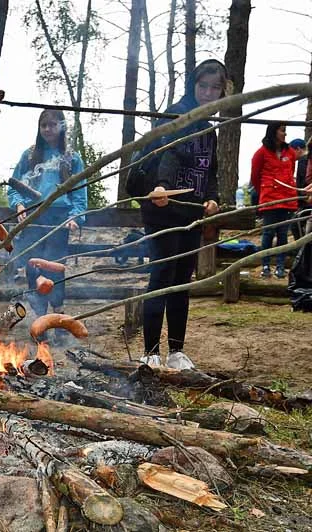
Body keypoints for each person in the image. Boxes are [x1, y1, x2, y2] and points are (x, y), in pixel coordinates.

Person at [139, 59, 226, 369]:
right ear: (193, 85)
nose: (208, 93)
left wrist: (213, 198)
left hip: (192, 214)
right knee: (161, 277)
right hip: (163, 210)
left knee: (181, 280)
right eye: (203, 86)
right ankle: (150, 352)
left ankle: (176, 351)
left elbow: (210, 171)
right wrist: (162, 185)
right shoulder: (177, 116)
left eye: (215, 88)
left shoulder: (208, 129)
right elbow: (167, 155)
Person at [7, 109, 87, 345]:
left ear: (61, 127)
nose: (48, 129)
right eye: (44, 125)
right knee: (33, 267)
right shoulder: (29, 156)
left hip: (59, 218)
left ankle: (60, 322)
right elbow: (14, 186)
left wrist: (75, 216)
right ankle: (40, 321)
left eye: (52, 125)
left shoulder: (71, 157)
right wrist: (19, 204)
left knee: (54, 268)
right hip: (33, 217)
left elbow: (80, 191)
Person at [250, 122, 298, 279]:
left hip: (287, 198)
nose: (285, 134)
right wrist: (265, 190)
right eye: (282, 131)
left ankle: (280, 266)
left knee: (283, 234)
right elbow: (255, 177)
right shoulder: (261, 153)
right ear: (274, 132)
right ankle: (265, 265)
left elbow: (291, 171)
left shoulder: (290, 152)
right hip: (270, 199)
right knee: (268, 233)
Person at [290, 138, 309, 240]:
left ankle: (302, 252)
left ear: (298, 149)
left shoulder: (303, 161)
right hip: (307, 198)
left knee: (295, 225)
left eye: (291, 151)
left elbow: (303, 184)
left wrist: (300, 198)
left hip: (306, 201)